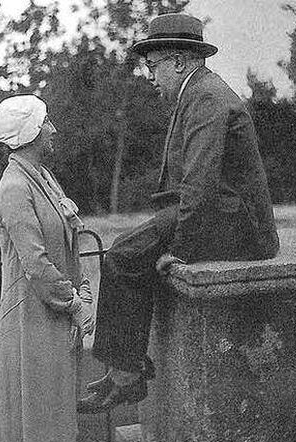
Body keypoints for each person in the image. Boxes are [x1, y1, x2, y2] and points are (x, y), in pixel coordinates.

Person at [77, 12, 279, 414]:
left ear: (179, 62)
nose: (150, 76)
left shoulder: (205, 98)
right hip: (221, 214)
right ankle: (125, 368)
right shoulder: (197, 92)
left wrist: (183, 250)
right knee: (125, 253)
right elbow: (192, 186)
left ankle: (126, 375)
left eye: (153, 67)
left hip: (238, 227)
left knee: (123, 256)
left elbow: (199, 186)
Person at [0, 95, 94, 442]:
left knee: (51, 406)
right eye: (46, 119)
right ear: (31, 132)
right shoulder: (15, 186)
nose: (53, 125)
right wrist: (73, 301)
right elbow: (34, 262)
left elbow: (62, 241)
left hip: (48, 311)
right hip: (30, 313)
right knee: (33, 412)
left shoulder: (42, 177)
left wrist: (78, 290)